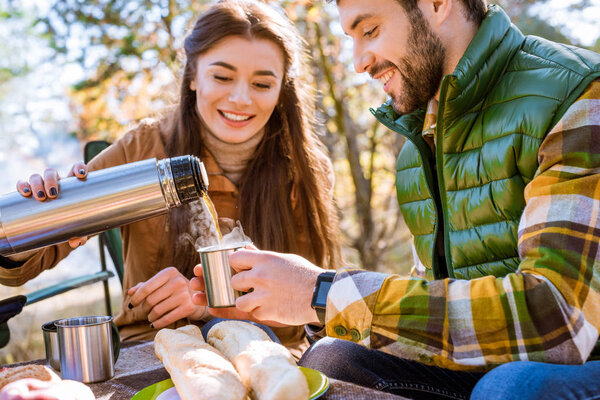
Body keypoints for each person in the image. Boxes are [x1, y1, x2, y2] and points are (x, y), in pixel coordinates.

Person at [190, 0, 600, 398]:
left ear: (438, 4)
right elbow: (436, 307)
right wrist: (299, 304)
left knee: (513, 388)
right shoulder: (417, 142)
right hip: (487, 364)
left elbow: (559, 319)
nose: (358, 62)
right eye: (351, 36)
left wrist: (322, 291)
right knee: (334, 359)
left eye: (370, 30)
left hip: (580, 363)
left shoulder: (578, 95)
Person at [0, 0, 341, 357]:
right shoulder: (144, 147)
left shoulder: (306, 169)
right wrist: (37, 212)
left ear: (281, 89)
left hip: (271, 353)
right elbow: (17, 269)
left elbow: (309, 307)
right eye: (222, 77)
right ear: (193, 76)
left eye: (262, 83)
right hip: (152, 350)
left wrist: (207, 303)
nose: (241, 98)